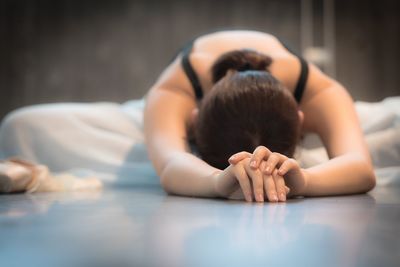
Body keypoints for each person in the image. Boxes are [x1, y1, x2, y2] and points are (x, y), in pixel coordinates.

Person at [143, 29, 376, 203]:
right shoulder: (175, 88)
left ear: (302, 119)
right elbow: (171, 164)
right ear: (193, 120)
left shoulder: (317, 90)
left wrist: (304, 180)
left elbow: (361, 168)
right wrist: (216, 181)